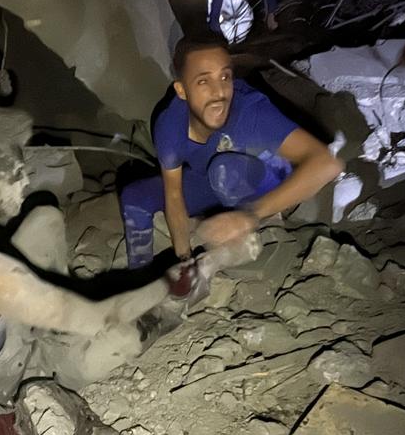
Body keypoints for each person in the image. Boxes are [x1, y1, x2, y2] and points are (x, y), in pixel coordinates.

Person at [0, 102, 171, 434]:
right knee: (126, 334)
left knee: (46, 219)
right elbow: (100, 316)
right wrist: (171, 281)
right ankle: (57, 359)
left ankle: (53, 312)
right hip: (2, 378)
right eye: (17, 172)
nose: (25, 182)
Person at [120, 34, 344, 270]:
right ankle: (140, 278)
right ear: (182, 90)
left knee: (224, 171)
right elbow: (174, 196)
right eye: (204, 81)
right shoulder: (169, 125)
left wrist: (251, 214)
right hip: (212, 180)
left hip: (266, 182)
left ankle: (263, 243)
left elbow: (327, 164)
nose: (219, 93)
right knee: (136, 197)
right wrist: (183, 260)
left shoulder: (251, 112)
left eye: (225, 77)